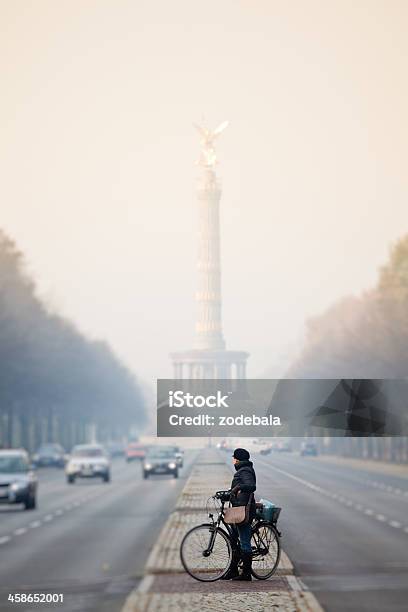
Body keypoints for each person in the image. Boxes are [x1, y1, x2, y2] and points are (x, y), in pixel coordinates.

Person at [223, 447, 256, 581]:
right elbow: (238, 489)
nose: (233, 460)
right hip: (238, 508)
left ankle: (246, 574)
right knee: (233, 540)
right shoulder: (243, 470)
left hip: (244, 511)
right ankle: (233, 570)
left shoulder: (245, 470)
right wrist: (227, 494)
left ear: (238, 459)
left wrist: (237, 488)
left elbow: (251, 486)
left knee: (244, 543)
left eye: (234, 458)